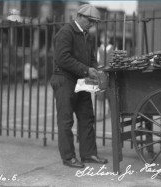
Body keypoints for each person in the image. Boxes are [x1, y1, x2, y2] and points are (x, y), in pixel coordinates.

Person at [50, 4, 108, 168]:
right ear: (80, 16)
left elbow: (90, 58)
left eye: (94, 22)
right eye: (90, 20)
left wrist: (96, 69)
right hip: (64, 79)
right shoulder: (66, 32)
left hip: (80, 80)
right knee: (66, 120)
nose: (92, 24)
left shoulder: (86, 36)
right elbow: (62, 59)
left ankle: (88, 154)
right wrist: (86, 69)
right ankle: (68, 157)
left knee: (87, 117)